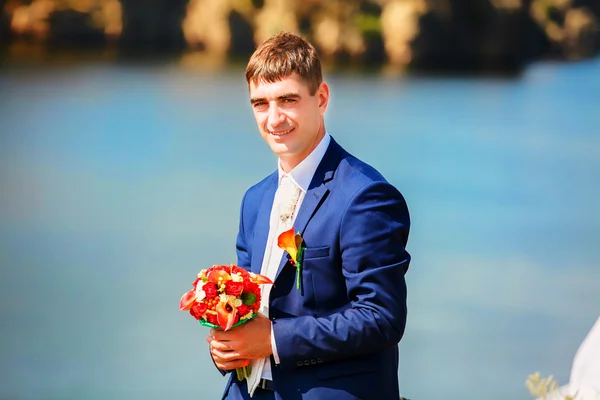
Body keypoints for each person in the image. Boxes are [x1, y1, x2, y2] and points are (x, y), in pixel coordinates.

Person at [206, 31, 411, 400]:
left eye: (288, 99)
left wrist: (271, 339)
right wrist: (226, 344)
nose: (273, 118)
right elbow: (249, 307)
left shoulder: (365, 196)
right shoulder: (255, 199)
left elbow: (381, 317)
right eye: (260, 103)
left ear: (321, 98)